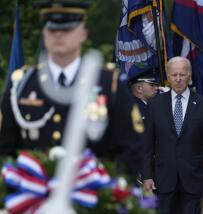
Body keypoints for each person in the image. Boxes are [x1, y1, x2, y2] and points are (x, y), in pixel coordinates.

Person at [0, 0, 144, 176]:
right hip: (33, 196)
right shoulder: (22, 85)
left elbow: (131, 149)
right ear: (44, 33)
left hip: (93, 196)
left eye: (67, 29)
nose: (59, 35)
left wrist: (111, 192)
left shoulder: (108, 83)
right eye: (52, 29)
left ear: (83, 33)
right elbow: (5, 149)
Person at [143, 56, 203, 214]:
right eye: (174, 75)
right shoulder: (155, 105)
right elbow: (147, 144)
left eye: (182, 74)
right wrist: (147, 175)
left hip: (195, 180)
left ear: (189, 75)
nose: (178, 79)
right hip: (162, 180)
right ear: (168, 77)